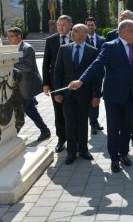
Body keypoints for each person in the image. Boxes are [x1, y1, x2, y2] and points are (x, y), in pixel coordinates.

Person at [69, 20, 133, 173]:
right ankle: (114, 158)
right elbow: (96, 64)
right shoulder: (110, 46)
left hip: (130, 96)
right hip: (113, 97)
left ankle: (124, 154)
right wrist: (81, 80)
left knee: (126, 128)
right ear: (122, 31)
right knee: (114, 128)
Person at [54, 24, 101, 165]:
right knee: (69, 123)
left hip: (85, 94)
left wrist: (96, 95)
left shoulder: (93, 51)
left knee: (82, 122)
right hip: (67, 95)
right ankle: (71, 152)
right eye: (72, 30)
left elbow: (97, 75)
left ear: (84, 34)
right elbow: (58, 72)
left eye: (75, 31)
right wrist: (58, 92)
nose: (71, 33)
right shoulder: (63, 50)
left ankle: (84, 150)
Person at [105, 10, 133, 149]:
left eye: (125, 17)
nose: (121, 18)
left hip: (132, 87)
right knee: (115, 124)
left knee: (131, 118)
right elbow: (101, 61)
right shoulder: (111, 37)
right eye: (121, 16)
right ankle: (116, 153)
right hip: (115, 88)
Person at [7, 27, 51, 141]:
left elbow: (28, 66)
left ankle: (44, 130)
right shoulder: (11, 48)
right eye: (8, 36)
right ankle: (17, 131)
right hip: (17, 85)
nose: (8, 39)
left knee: (28, 108)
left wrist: (10, 65)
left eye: (11, 36)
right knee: (24, 108)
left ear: (18, 36)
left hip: (27, 85)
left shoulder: (27, 48)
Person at [43, 15, 73, 153]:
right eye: (58, 25)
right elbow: (46, 63)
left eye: (63, 24)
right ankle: (61, 139)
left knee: (73, 112)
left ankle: (75, 140)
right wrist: (46, 84)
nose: (60, 27)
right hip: (56, 83)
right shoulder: (51, 40)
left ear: (70, 25)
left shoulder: (76, 38)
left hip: (73, 83)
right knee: (59, 112)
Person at [84, 17, 105, 135]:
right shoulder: (83, 40)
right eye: (89, 25)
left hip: (99, 74)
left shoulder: (102, 40)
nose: (90, 27)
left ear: (95, 26)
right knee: (88, 98)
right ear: (86, 25)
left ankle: (95, 121)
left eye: (92, 25)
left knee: (97, 97)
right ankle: (92, 124)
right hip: (86, 74)